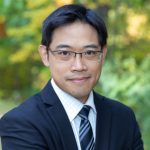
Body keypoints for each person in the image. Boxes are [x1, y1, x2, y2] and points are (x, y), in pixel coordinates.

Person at [0, 4, 144, 150]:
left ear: (103, 54)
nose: (79, 66)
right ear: (45, 55)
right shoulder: (21, 122)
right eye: (64, 53)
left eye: (89, 53)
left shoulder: (123, 118)